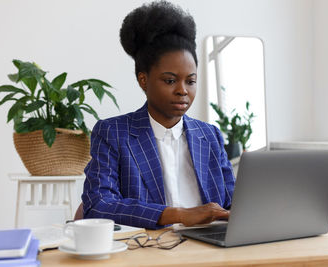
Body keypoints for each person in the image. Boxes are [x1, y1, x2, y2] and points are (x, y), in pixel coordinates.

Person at [82, 0, 235, 229]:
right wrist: (180, 215)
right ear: (143, 80)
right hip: (148, 250)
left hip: (208, 248)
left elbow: (234, 204)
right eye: (170, 80)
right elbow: (99, 205)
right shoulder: (113, 133)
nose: (183, 90)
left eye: (190, 81)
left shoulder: (210, 136)